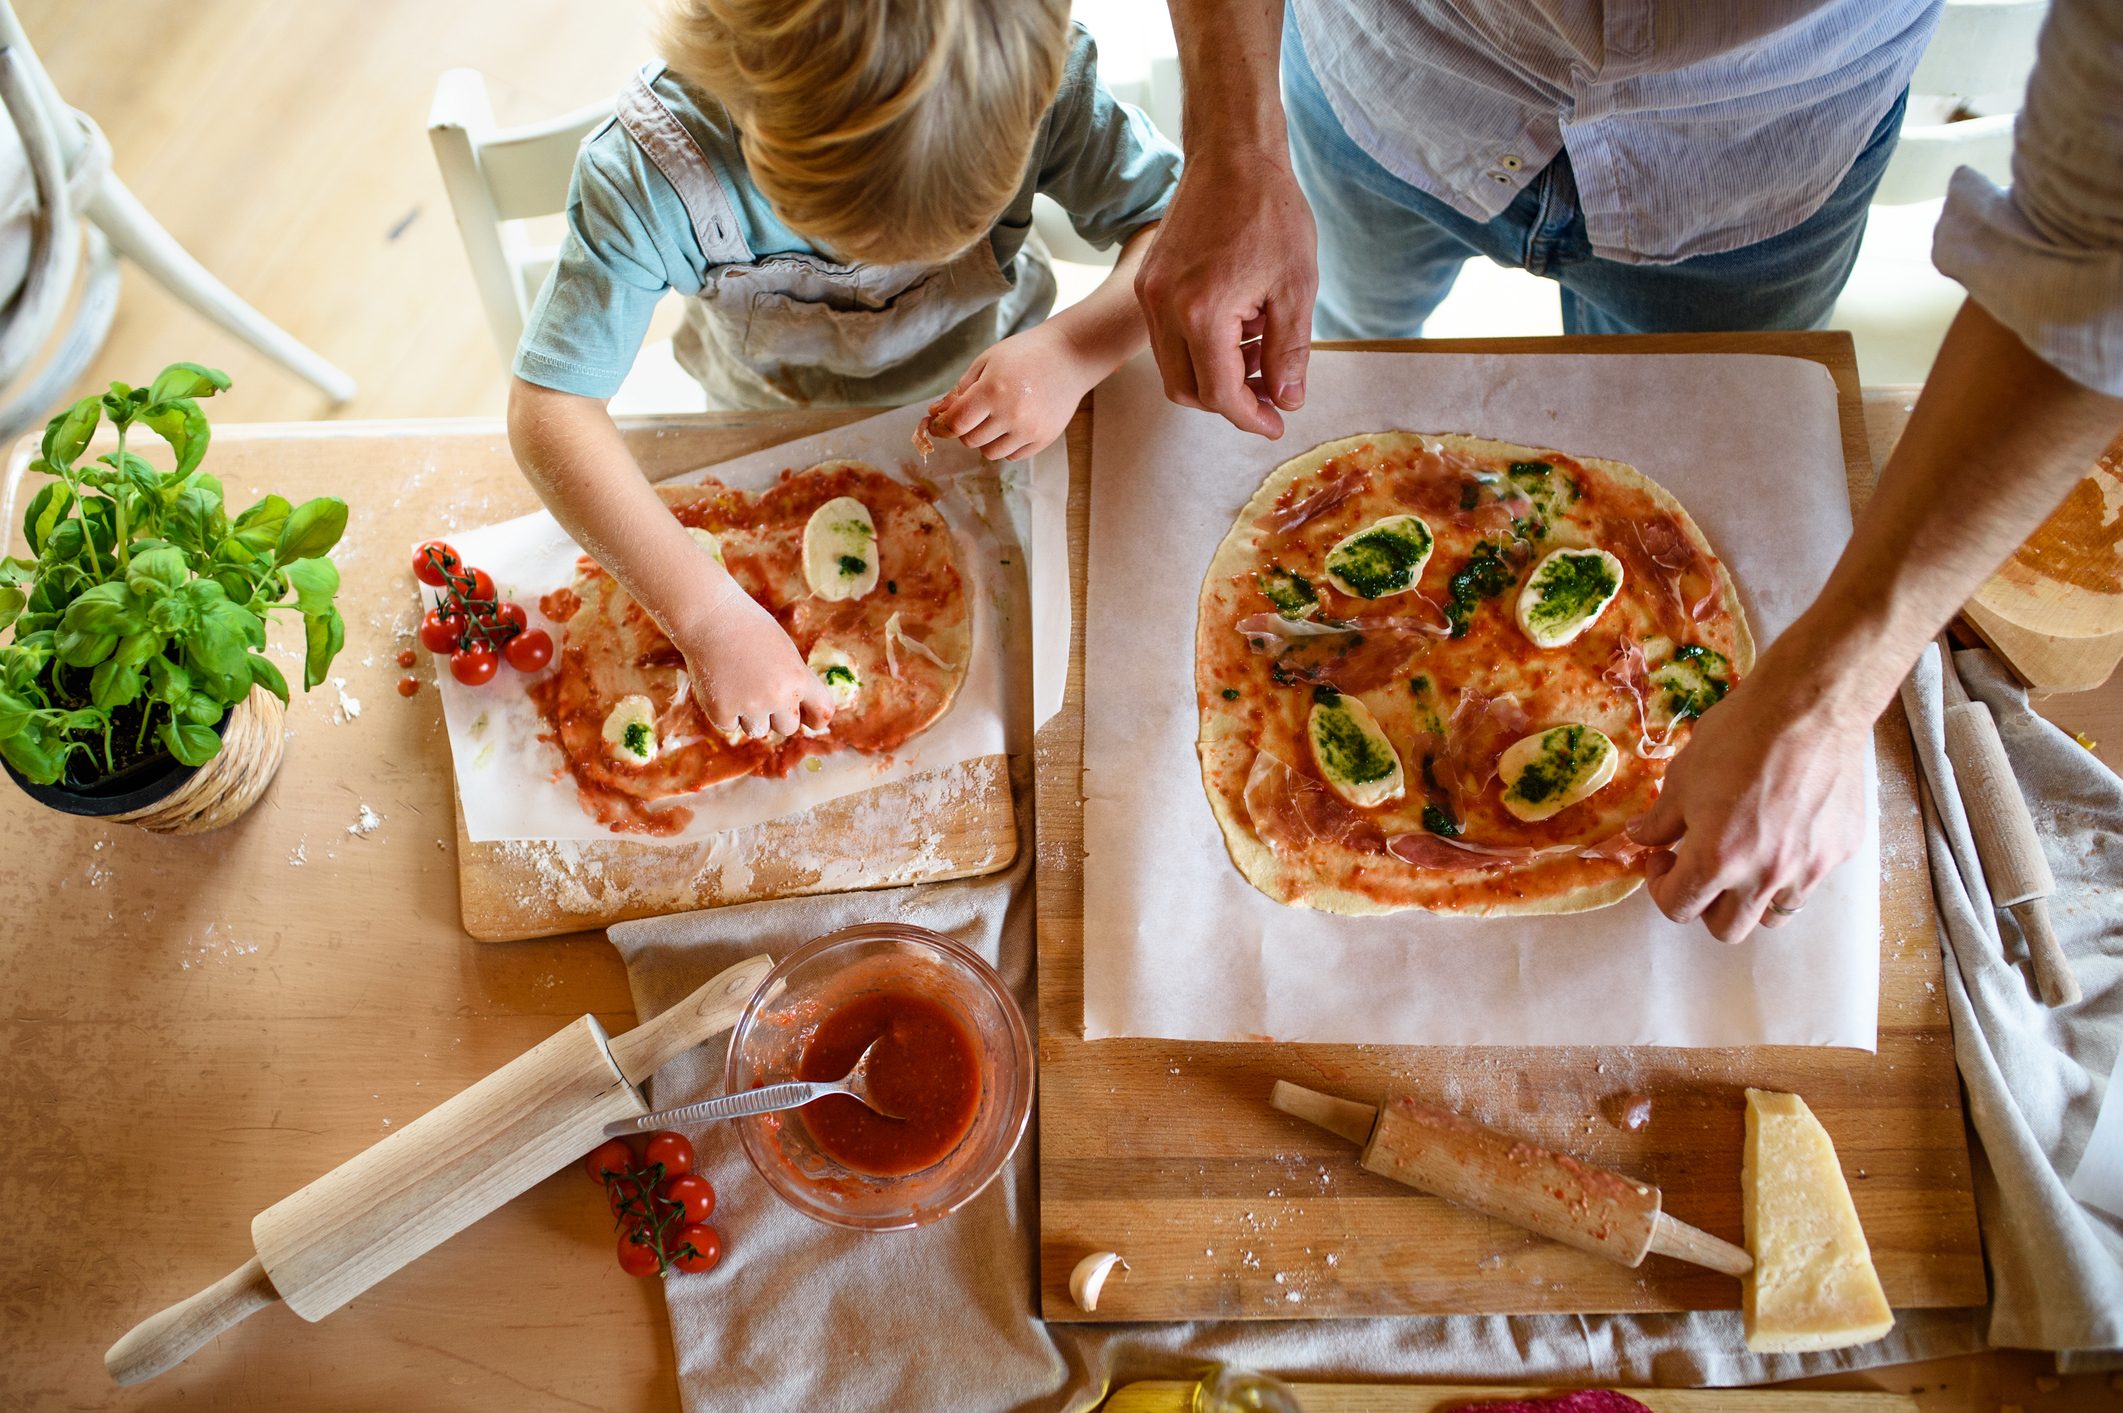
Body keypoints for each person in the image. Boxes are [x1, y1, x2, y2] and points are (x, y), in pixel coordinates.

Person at [1137, 0, 2123, 945]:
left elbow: (2093, 267)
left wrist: (1828, 701)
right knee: (1345, 351)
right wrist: (1235, 145)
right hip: (1390, 89)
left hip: (1756, 165)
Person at [508, 0, 1180, 740]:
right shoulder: (648, 176)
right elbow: (550, 411)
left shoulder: (1042, 82)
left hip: (1008, 397)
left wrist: (1076, 348)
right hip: (764, 408)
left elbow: (1176, 224)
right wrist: (707, 614)